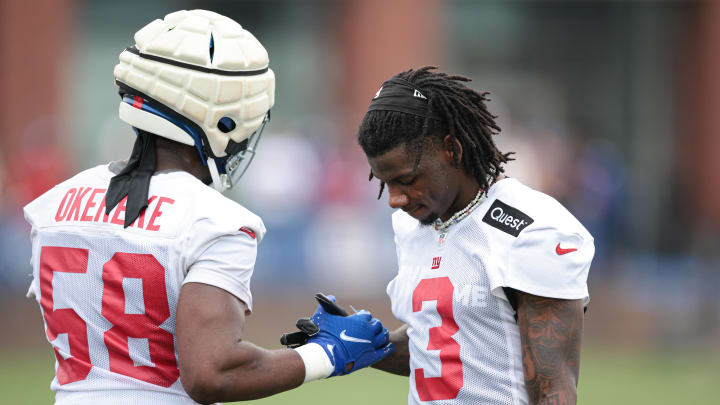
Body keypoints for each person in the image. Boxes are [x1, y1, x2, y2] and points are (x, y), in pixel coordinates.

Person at [24, 10, 392, 405]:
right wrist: (327, 354)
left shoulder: (51, 207)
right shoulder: (215, 220)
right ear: (223, 116)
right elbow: (211, 373)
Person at [356, 66, 594, 405]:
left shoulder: (532, 228)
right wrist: (355, 344)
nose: (395, 199)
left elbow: (553, 390)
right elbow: (441, 348)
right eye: (385, 183)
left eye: (406, 180)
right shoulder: (412, 226)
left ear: (452, 149)